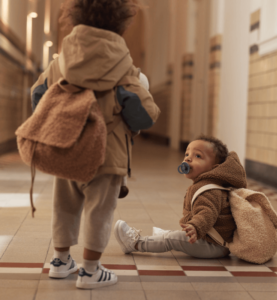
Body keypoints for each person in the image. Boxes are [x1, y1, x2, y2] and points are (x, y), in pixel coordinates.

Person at [30, 0, 160, 290]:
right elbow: (146, 114)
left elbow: (38, 95)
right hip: (107, 152)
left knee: (64, 206)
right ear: (120, 22)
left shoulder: (60, 62)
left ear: (75, 18)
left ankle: (60, 262)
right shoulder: (125, 66)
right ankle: (90, 271)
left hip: (68, 147)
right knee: (99, 211)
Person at [114, 135, 247, 259]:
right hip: (209, 239)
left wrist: (196, 227)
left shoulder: (209, 190)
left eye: (198, 156)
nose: (188, 158)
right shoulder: (205, 184)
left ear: (215, 168)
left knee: (173, 239)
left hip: (213, 245)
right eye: (187, 154)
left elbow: (207, 213)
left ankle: (136, 243)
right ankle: (163, 237)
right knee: (175, 236)